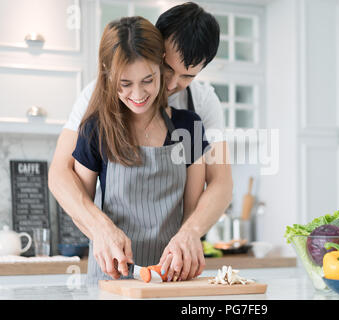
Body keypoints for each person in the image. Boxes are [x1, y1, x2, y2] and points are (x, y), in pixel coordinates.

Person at [48, 2, 233, 283]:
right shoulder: (97, 102)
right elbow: (61, 173)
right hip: (113, 269)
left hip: (170, 273)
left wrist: (190, 233)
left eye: (188, 76)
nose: (171, 85)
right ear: (155, 50)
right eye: (167, 69)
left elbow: (221, 182)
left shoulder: (200, 107)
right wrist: (100, 229)